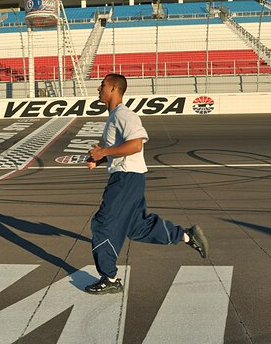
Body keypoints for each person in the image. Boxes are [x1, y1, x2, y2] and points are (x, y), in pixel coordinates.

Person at [85, 73, 209, 295]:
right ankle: (187, 235)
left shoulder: (124, 115)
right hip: (130, 178)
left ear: (114, 89)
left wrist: (103, 151)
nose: (98, 88)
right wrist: (100, 158)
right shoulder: (114, 117)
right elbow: (122, 148)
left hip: (125, 179)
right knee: (137, 227)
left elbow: (135, 145)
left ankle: (110, 278)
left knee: (102, 226)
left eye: (102, 85)